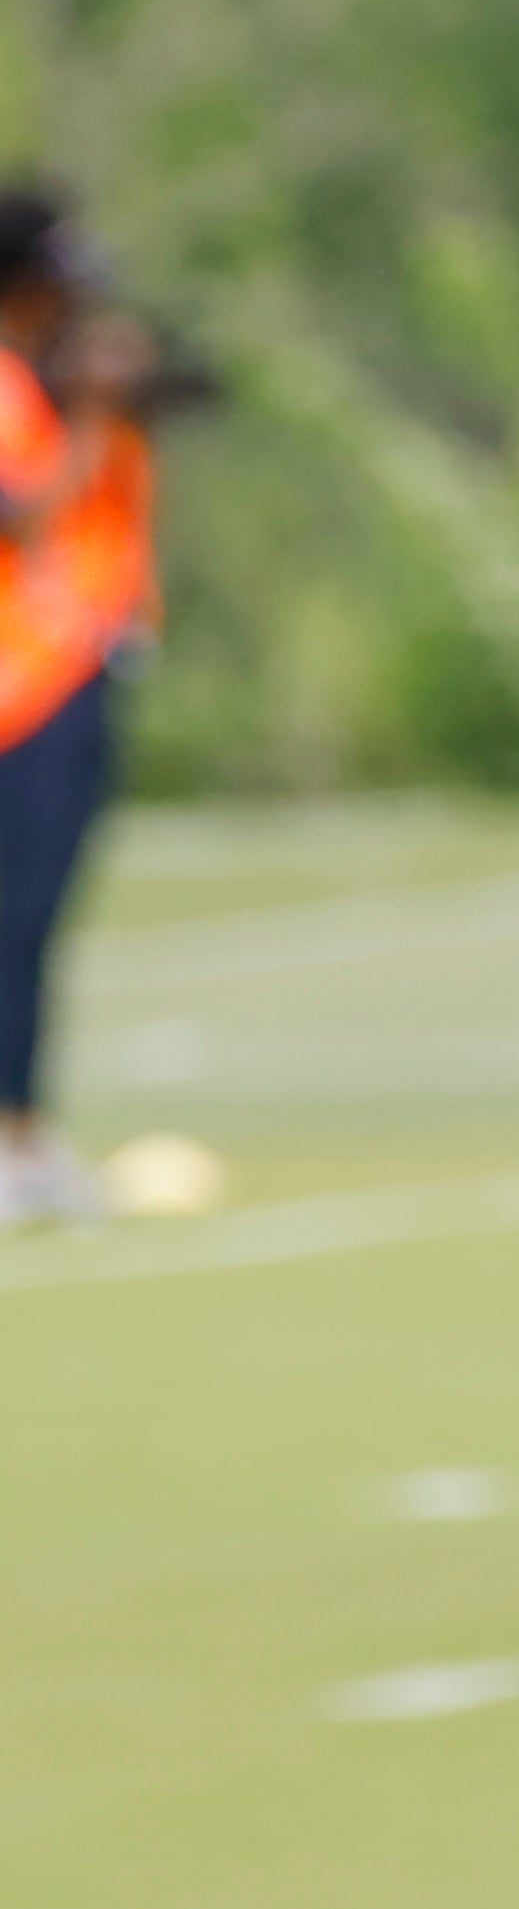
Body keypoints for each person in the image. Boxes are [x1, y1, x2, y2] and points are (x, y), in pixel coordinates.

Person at [0, 187, 160, 1227]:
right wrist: (94, 417)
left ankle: (26, 1126)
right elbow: (21, 512)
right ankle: (14, 1140)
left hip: (62, 675)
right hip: (23, 690)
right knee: (16, 921)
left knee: (35, 923)